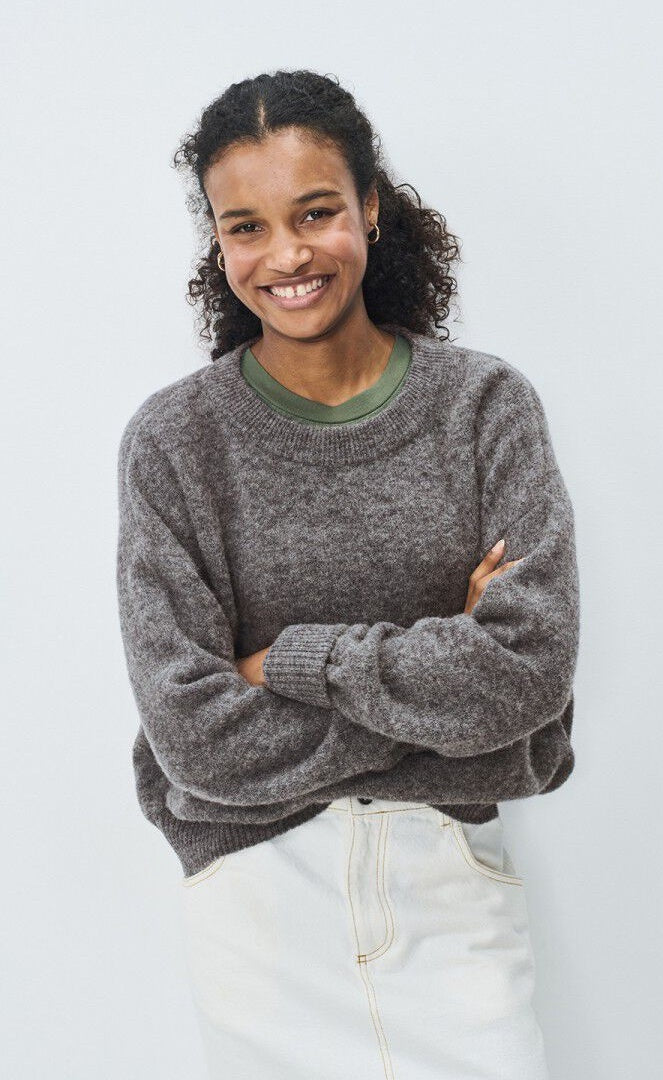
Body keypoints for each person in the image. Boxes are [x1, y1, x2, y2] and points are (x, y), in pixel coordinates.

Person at [116, 68, 580, 1080]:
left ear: (371, 205)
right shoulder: (175, 443)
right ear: (218, 239)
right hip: (258, 906)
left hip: (449, 890)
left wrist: (282, 661)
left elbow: (527, 677)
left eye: (315, 212)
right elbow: (193, 738)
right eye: (245, 226)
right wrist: (446, 693)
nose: (284, 255)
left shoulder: (485, 409)